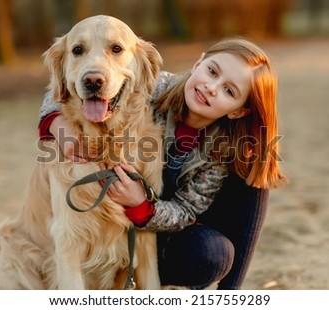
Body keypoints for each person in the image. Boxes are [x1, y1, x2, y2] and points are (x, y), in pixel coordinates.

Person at [38, 37, 287, 289]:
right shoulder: (154, 86)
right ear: (198, 62)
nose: (211, 87)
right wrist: (57, 125)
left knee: (254, 165)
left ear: (238, 111)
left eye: (229, 91)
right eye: (212, 71)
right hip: (109, 223)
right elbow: (62, 89)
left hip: (156, 231)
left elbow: (185, 210)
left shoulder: (221, 149)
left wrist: (142, 205)